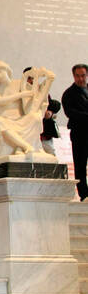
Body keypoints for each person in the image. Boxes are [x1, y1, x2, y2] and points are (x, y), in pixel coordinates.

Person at [61, 63, 88, 201]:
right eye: (77, 76)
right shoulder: (69, 94)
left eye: (82, 75)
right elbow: (70, 112)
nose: (80, 79)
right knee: (80, 164)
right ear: (73, 76)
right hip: (79, 133)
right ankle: (84, 194)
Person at [23, 67, 60, 156]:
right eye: (29, 78)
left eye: (33, 78)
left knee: (50, 154)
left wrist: (50, 112)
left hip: (44, 133)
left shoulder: (42, 90)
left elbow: (54, 104)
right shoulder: (21, 92)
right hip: (28, 132)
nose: (31, 81)